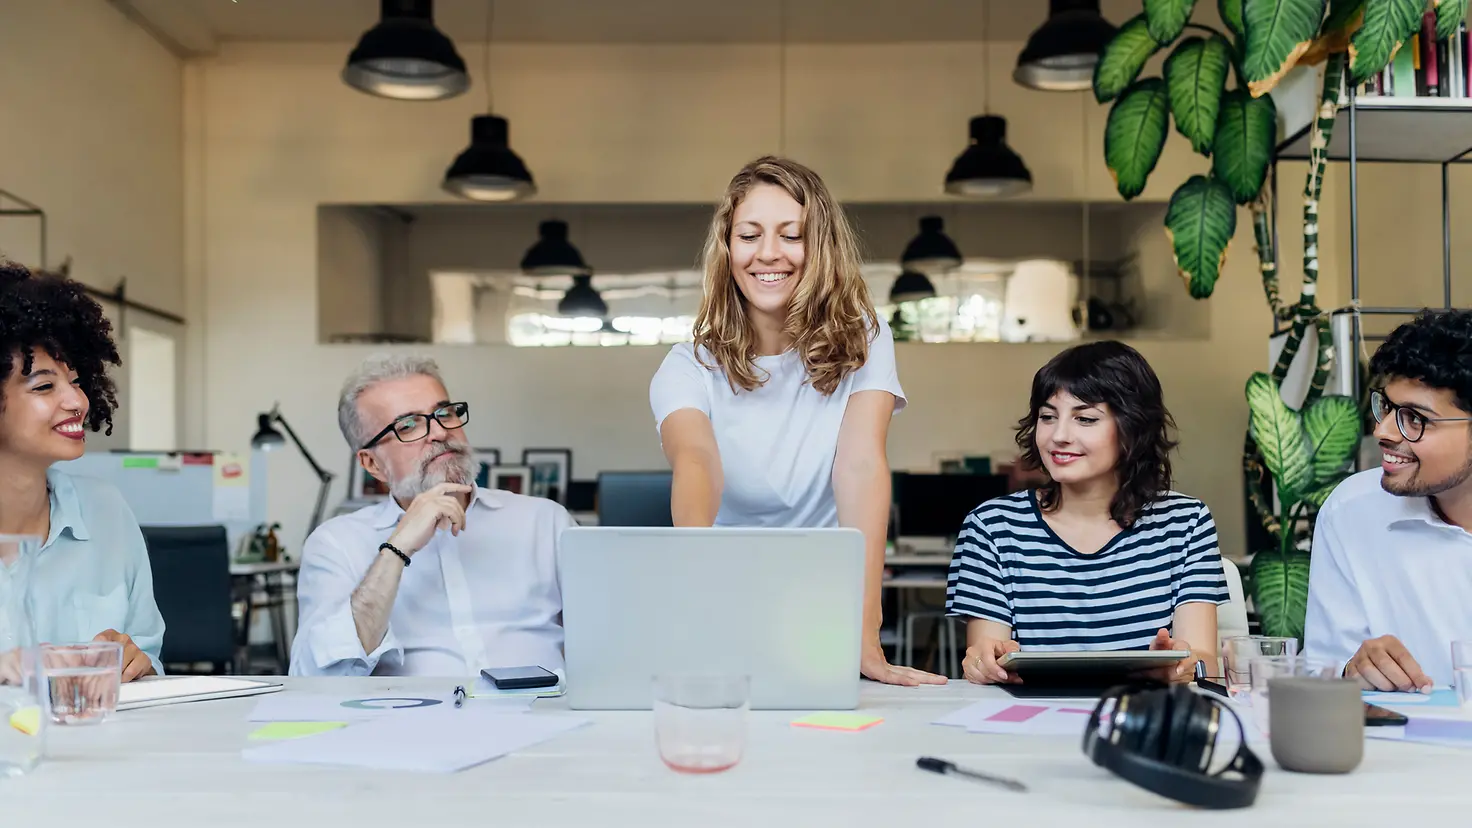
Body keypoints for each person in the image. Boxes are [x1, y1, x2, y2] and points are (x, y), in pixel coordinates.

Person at [649, 156, 944, 687]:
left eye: (792, 235)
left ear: (821, 246)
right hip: (723, 592)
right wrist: (693, 587)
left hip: (821, 598)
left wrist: (865, 630)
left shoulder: (866, 339)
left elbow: (860, 467)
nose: (768, 253)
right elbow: (697, 461)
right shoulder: (686, 366)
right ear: (728, 248)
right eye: (749, 235)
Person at [947, 341, 1227, 685]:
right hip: (1031, 715)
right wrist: (983, 662)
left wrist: (1181, 666)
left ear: (1132, 428)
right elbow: (985, 652)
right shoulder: (992, 526)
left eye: (1085, 419)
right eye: (1048, 417)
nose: (1059, 436)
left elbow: (1204, 660)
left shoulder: (1186, 522)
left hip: (1145, 710)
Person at [290, 355, 571, 677]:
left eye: (444, 412)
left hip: (544, 707)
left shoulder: (545, 522)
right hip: (416, 711)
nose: (438, 431)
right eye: (408, 425)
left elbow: (611, 636)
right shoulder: (336, 544)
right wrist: (396, 550)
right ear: (372, 464)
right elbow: (314, 678)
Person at [0, 262, 164, 681]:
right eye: (44, 386)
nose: (78, 401)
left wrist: (138, 664)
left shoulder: (106, 510)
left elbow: (150, 659)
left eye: (75, 381)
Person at [1304, 309, 1472, 691]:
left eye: (1415, 419)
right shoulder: (1353, 511)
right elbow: (1322, 675)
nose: (1382, 431)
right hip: (1401, 731)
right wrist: (1352, 673)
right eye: (1387, 407)